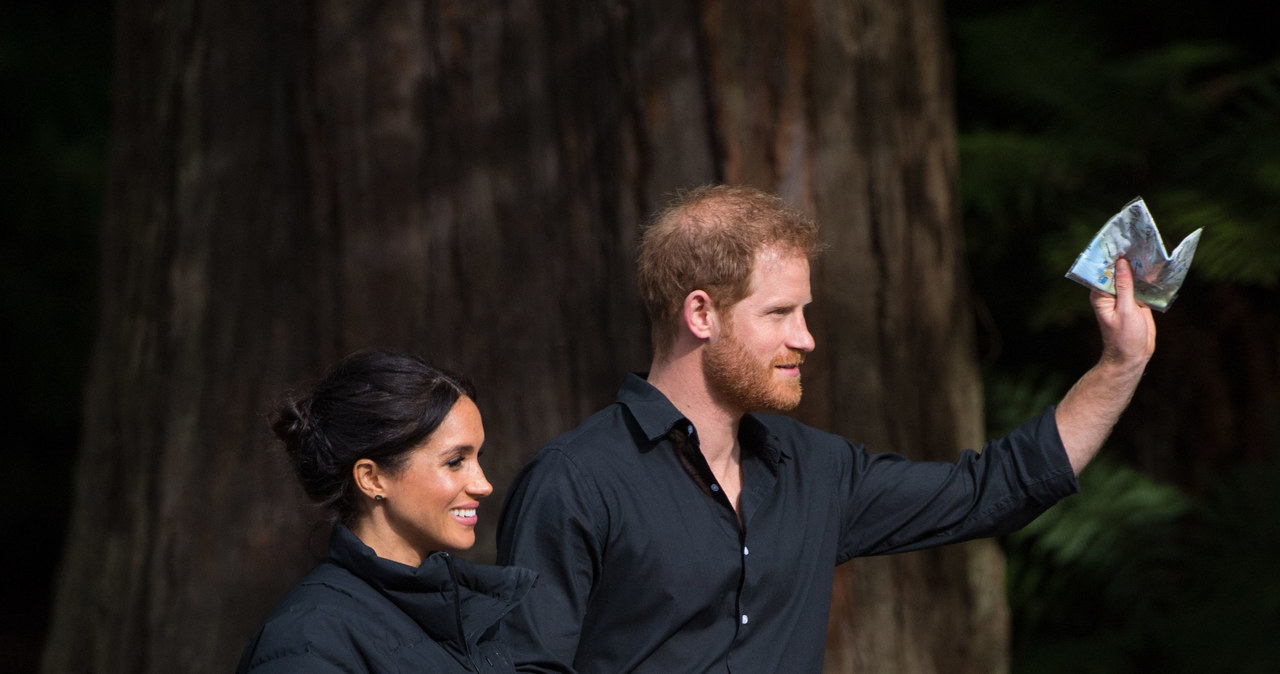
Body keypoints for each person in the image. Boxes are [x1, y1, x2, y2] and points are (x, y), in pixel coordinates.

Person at [496, 185, 1156, 672]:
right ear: (702, 313)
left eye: (803, 312)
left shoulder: (814, 471)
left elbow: (993, 489)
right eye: (780, 312)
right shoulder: (575, 481)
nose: (805, 339)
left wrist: (1121, 364)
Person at [237, 349, 536, 673]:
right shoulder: (307, 642)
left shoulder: (457, 616)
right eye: (455, 462)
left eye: (478, 458)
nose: (483, 485)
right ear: (372, 478)